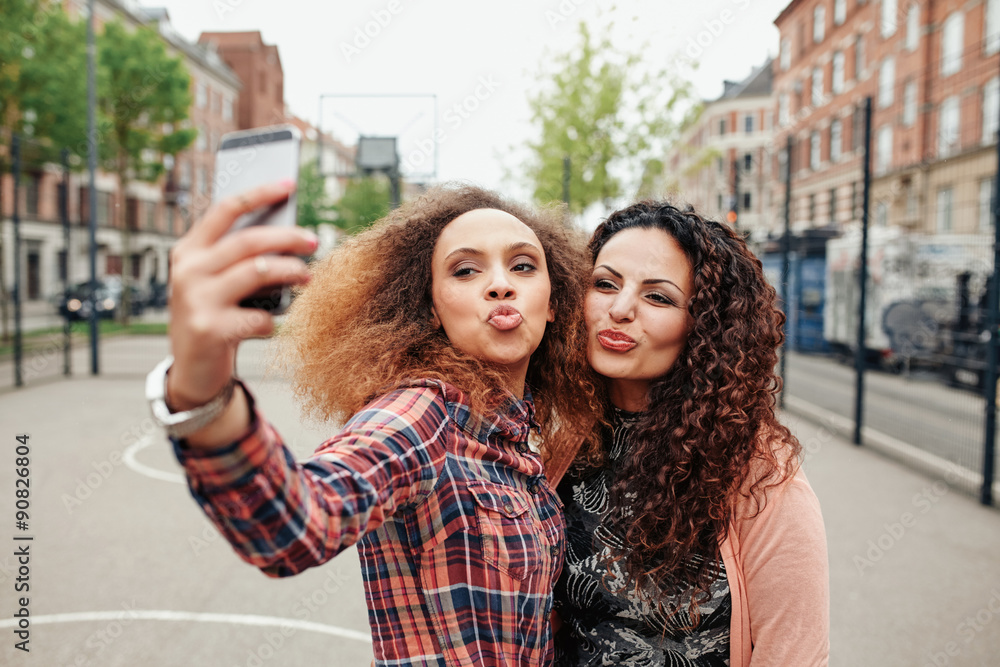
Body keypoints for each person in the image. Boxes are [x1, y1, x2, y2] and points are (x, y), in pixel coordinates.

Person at [147, 181, 600, 665]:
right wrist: (200, 387)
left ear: (554, 301)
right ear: (430, 306)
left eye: (523, 266)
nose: (500, 284)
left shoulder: (516, 434)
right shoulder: (422, 414)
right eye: (465, 270)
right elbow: (298, 524)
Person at [546, 201, 830, 666]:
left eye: (658, 297)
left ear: (705, 327)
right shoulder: (565, 436)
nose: (619, 309)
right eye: (604, 284)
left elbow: (795, 650)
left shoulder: (757, 468)